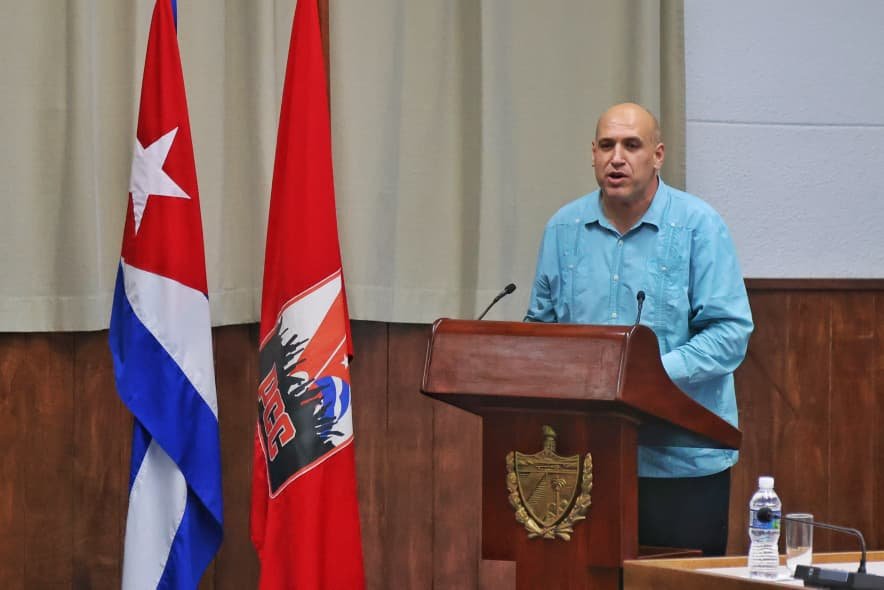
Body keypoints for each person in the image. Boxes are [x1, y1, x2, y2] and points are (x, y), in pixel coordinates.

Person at [524, 102, 754, 556]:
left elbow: (729, 334)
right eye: (606, 145)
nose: (617, 158)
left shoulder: (698, 226)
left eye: (632, 145)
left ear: (658, 155)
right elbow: (540, 330)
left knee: (673, 584)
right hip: (586, 456)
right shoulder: (563, 228)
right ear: (592, 154)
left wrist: (647, 376)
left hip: (681, 457)